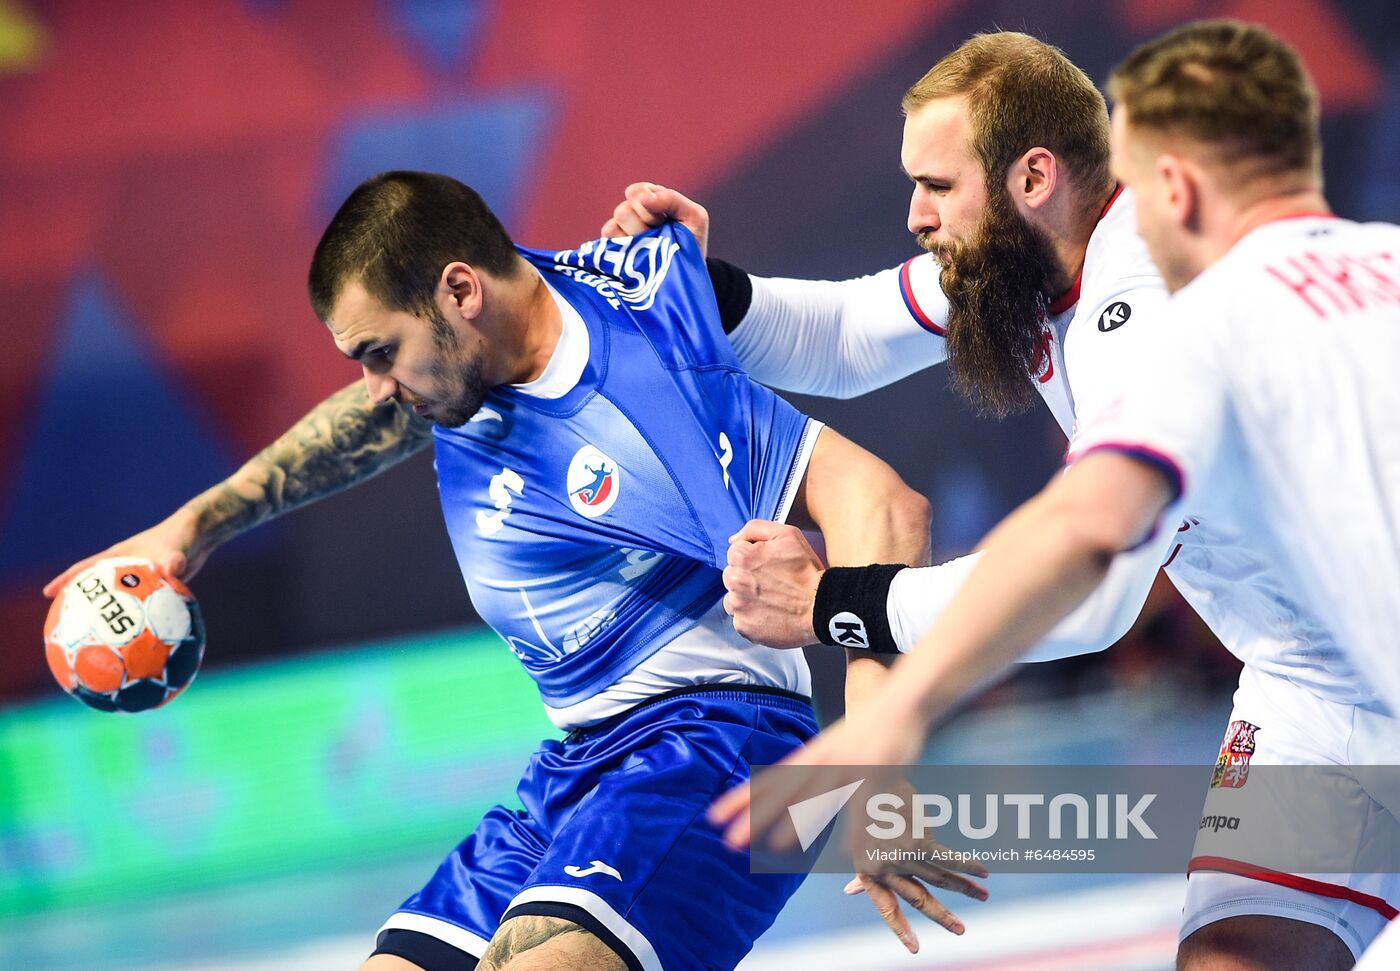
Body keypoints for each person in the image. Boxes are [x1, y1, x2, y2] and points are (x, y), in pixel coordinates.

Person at [603, 27, 1397, 969]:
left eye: (938, 186)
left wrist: (833, 607)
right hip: (1313, 684)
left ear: (1032, 177)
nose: (914, 213)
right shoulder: (1043, 261)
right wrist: (702, 290)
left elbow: (1094, 585)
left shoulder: (1143, 306)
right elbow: (850, 336)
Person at [45, 171, 951, 971]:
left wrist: (872, 758)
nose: (375, 386)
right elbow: (374, 420)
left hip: (721, 744)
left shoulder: (646, 373)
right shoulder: (485, 334)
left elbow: (883, 505)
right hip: (577, 765)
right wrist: (191, 527)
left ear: (459, 289)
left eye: (378, 353)